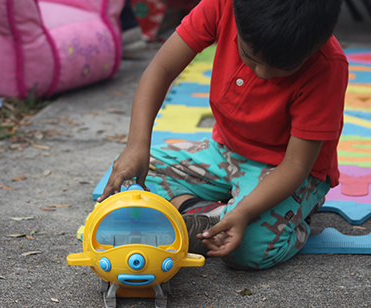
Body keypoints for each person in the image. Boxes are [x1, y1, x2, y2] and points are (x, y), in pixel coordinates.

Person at [98, 0, 348, 270]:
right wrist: (136, 145)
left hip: (286, 170)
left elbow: (296, 165)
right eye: (250, 57)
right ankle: (209, 213)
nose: (262, 73)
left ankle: (297, 217)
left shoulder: (327, 66)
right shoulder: (222, 6)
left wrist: (244, 212)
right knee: (137, 175)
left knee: (248, 249)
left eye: (284, 68)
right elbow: (162, 69)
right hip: (226, 150)